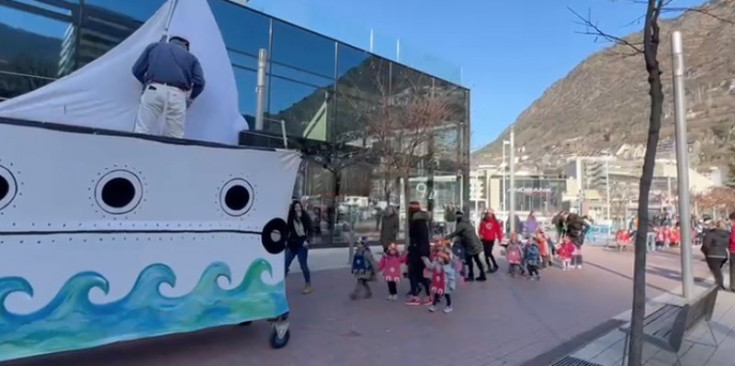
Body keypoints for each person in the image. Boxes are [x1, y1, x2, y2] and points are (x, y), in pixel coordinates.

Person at [131, 36, 205, 138]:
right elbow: (200, 82)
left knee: (142, 130)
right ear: (185, 46)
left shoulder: (154, 47)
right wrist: (190, 99)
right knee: (175, 137)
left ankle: (137, 152)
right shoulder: (191, 58)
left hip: (154, 89)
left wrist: (145, 84)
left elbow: (136, 70)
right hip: (178, 94)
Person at [446, 211, 486, 282]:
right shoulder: (467, 223)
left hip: (470, 245)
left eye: (457, 216)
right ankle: (482, 275)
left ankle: (471, 276)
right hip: (475, 243)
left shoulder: (461, 224)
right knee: (477, 260)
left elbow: (456, 233)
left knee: (470, 261)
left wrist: (446, 237)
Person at [405, 201, 433, 306]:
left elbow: (421, 239)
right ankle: (424, 294)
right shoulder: (419, 221)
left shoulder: (417, 222)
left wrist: (419, 251)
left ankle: (422, 295)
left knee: (416, 274)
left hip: (418, 252)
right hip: (419, 250)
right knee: (418, 274)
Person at [285, 200, 314, 294]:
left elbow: (310, 230)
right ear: (293, 208)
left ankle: (308, 284)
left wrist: (307, 240)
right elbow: (286, 229)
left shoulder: (305, 216)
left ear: (301, 207)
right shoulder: (290, 217)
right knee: (285, 263)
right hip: (292, 243)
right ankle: (280, 284)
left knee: (303, 265)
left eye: (299, 207)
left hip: (302, 243)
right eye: (295, 207)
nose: (297, 208)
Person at [422, 242, 456, 313]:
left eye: (440, 258)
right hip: (438, 283)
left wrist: (452, 285)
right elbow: (430, 267)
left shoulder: (447, 267)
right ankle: (434, 305)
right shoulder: (436, 262)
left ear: (444, 259)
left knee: (447, 295)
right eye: (438, 257)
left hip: (445, 284)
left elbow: (451, 276)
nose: (439, 259)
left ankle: (449, 306)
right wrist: (426, 260)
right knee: (436, 294)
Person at [702, 220, 730, 290]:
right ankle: (719, 283)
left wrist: (706, 252)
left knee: (716, 270)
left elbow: (706, 244)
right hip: (723, 254)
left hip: (712, 254)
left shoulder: (711, 233)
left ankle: (719, 285)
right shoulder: (727, 234)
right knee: (718, 270)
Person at [729, 212, 735, 291]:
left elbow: (734, 239)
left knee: (733, 269)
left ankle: (733, 286)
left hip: (733, 250)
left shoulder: (734, 228)